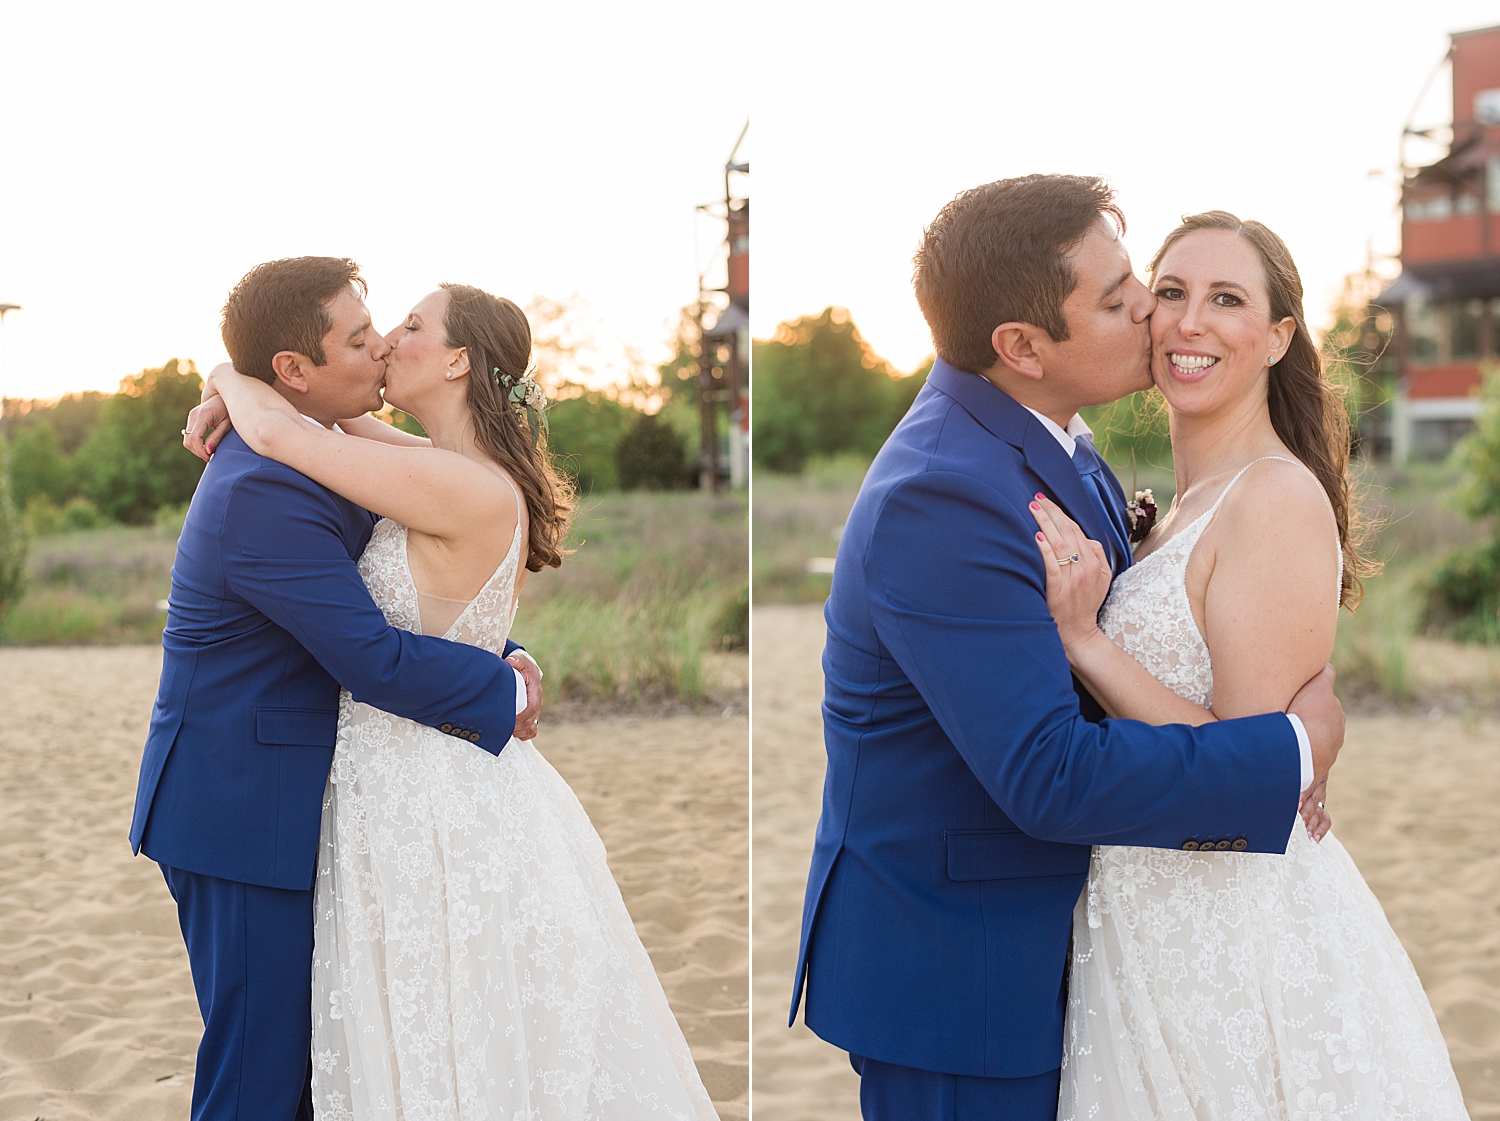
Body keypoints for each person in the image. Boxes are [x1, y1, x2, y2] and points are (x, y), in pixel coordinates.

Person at [791, 175, 1347, 1121]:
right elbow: (1047, 773)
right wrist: (1287, 752)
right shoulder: (944, 492)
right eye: (1121, 293)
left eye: (1150, 283)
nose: (1152, 311)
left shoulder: (1058, 444)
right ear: (1021, 347)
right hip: (960, 972)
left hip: (1069, 944)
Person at [196, 281, 719, 1120]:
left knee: (446, 1025)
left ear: (457, 359)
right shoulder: (433, 465)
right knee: (422, 1023)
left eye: (408, 326)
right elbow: (312, 421)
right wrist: (232, 378)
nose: (387, 340)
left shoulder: (460, 486)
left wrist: (227, 378)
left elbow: (280, 429)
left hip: (426, 786)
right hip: (400, 775)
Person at [1029, 211, 1468, 1118]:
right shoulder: (1171, 506)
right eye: (1173, 294)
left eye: (1227, 299)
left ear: (1275, 338)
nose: (1190, 322)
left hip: (1229, 927)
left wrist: (1088, 642)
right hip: (1140, 908)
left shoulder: (1273, 497)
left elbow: (1242, 772)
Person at [132, 257, 541, 1121]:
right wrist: (497, 692)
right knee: (260, 1078)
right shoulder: (263, 488)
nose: (381, 346)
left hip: (303, 800)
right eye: (358, 339)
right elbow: (370, 656)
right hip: (239, 812)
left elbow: (396, 583)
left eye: (387, 328)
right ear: (293, 371)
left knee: (318, 1071)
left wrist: (494, 644)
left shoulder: (328, 447)